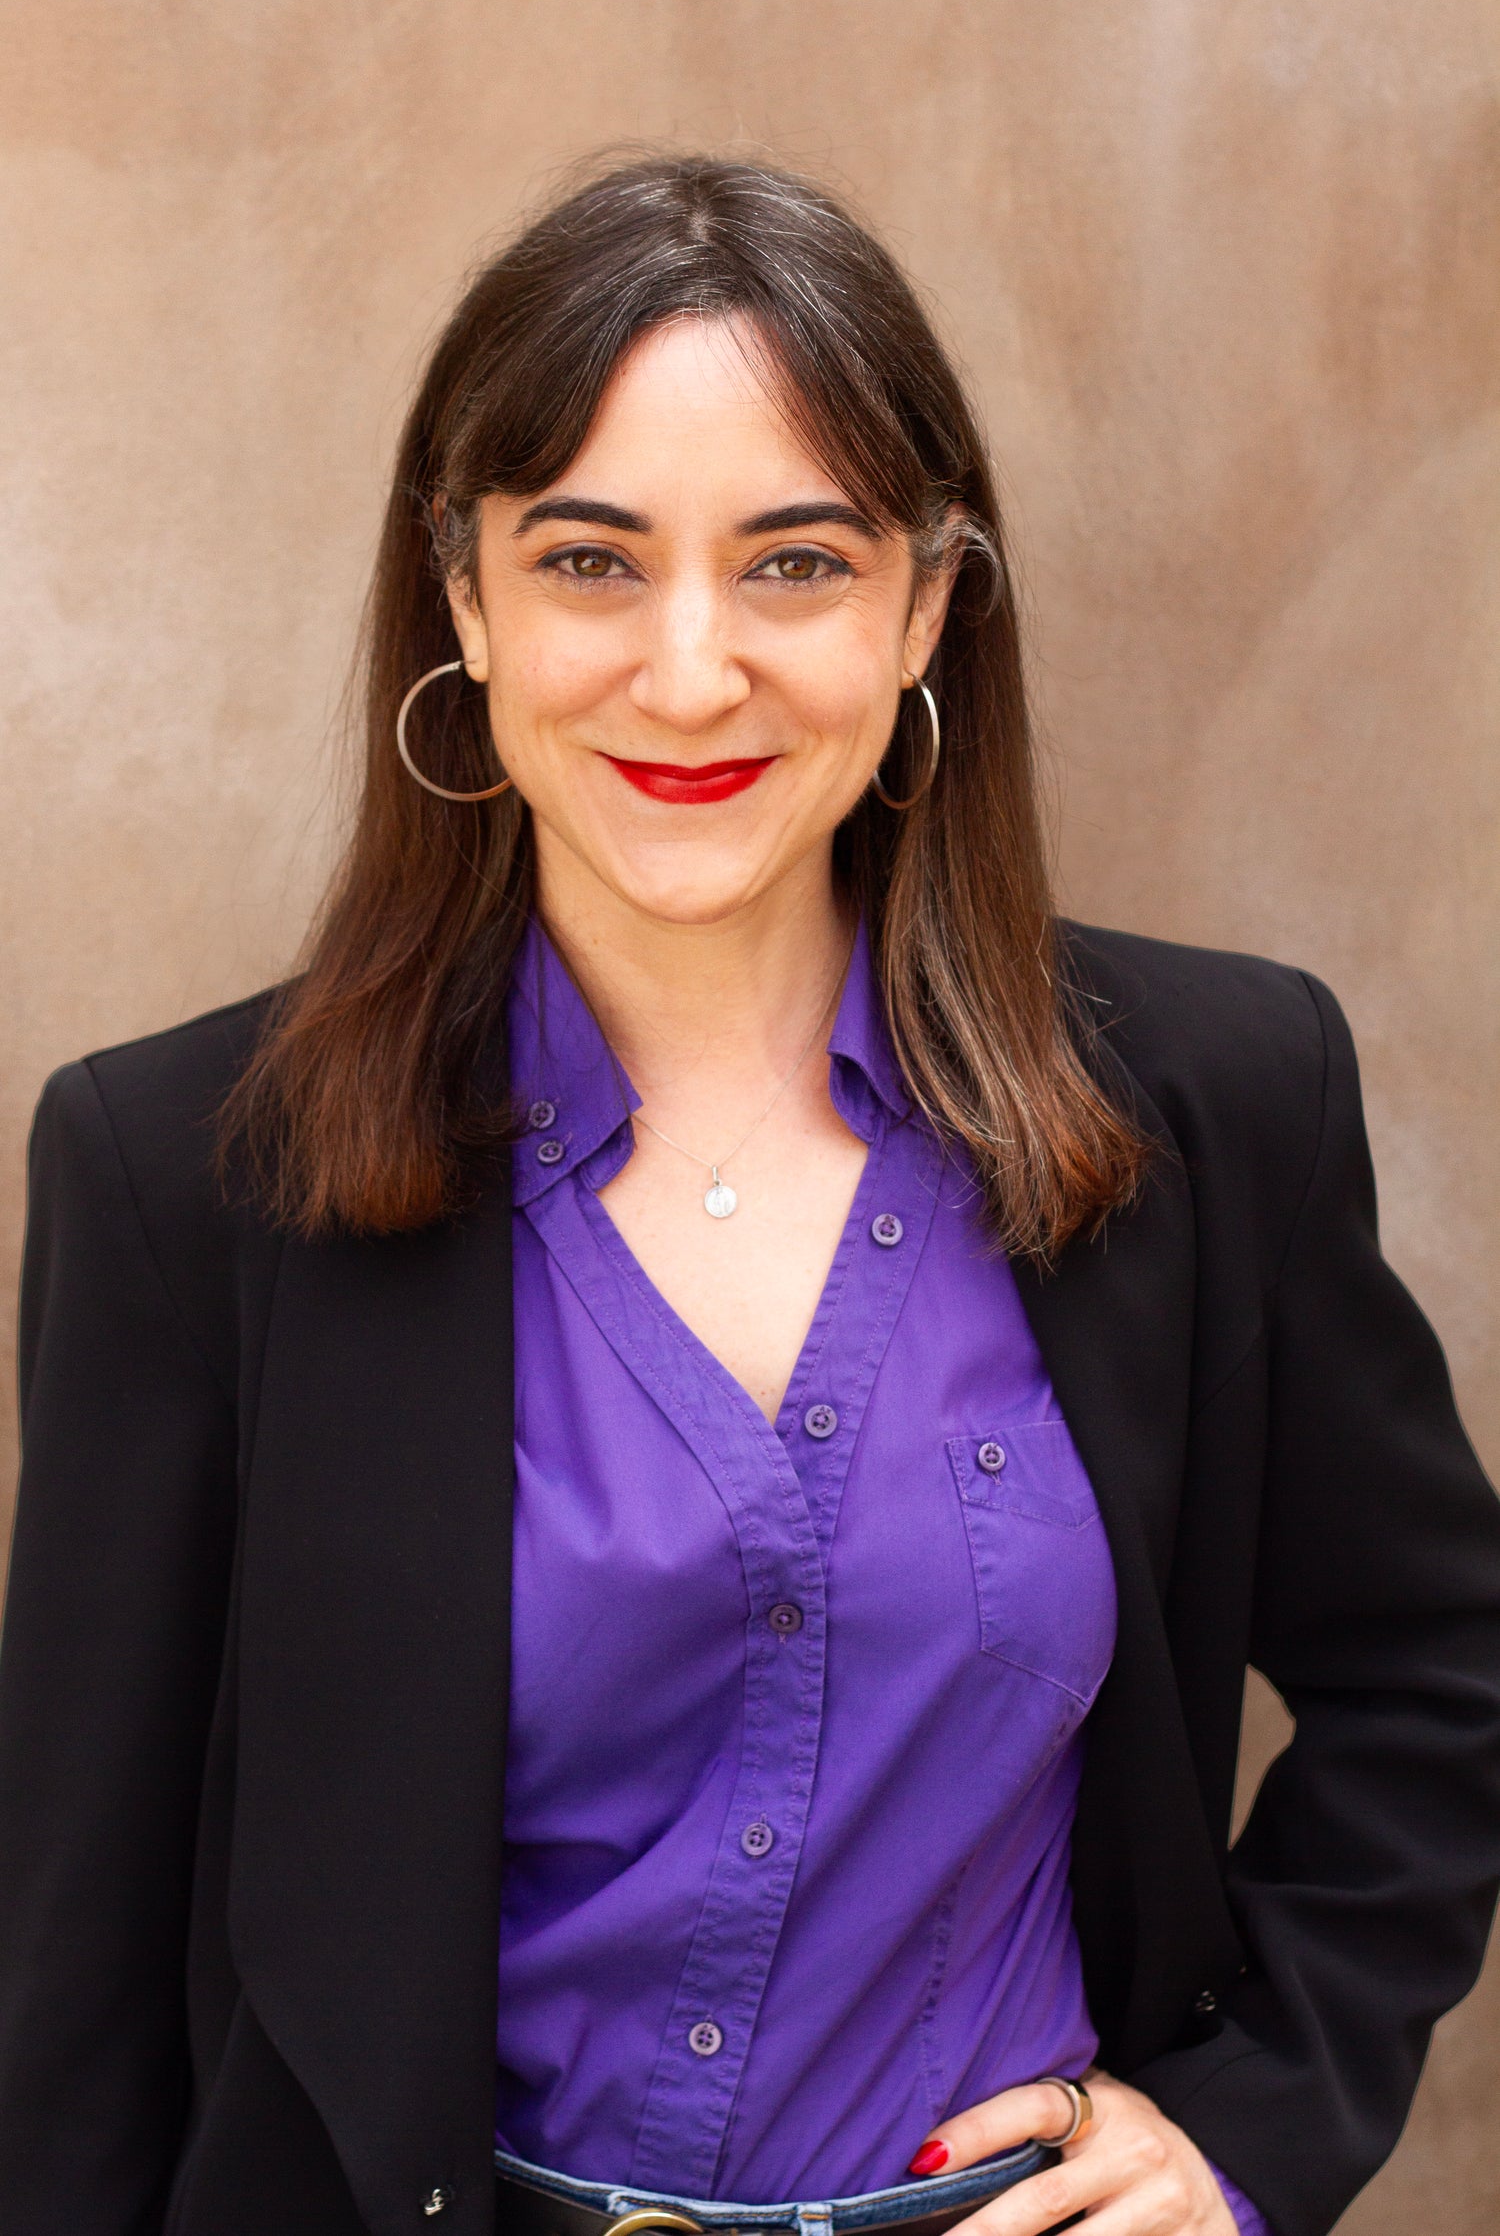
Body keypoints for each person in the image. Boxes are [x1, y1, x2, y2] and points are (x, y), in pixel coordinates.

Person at [0, 155, 1497, 2236]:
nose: (689, 674)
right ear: (466, 597)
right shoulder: (180, 1181)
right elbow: (65, 1990)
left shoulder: (1214, 1106)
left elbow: (1448, 1678)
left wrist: (1245, 2126)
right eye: (591, 563)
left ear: (926, 604)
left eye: (794, 565)